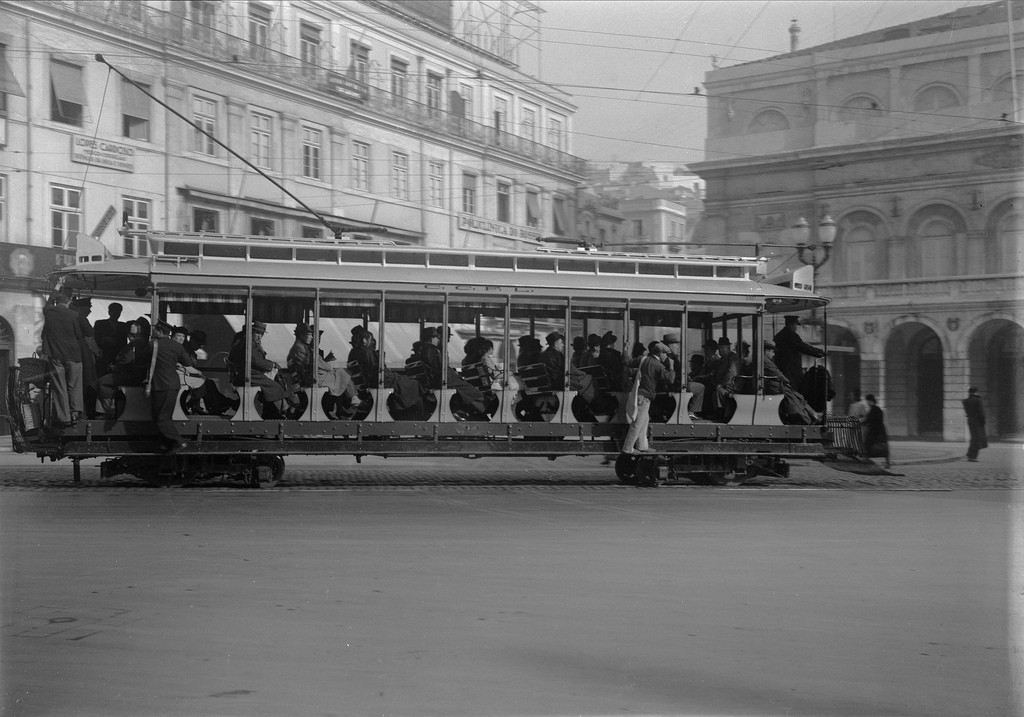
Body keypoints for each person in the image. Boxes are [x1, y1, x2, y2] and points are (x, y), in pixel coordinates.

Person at [228, 320, 298, 415]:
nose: (259, 336)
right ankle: (282, 407)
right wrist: (272, 365)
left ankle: (273, 410)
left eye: (261, 333)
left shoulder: (250, 342)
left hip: (250, 372)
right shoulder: (249, 343)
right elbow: (255, 360)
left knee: (273, 383)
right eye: (257, 333)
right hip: (249, 374)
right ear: (251, 332)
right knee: (274, 385)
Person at [147, 319, 195, 452]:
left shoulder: (153, 345)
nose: (154, 331)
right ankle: (166, 445)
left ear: (160, 331)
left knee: (160, 418)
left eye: (155, 329)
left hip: (160, 385)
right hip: (173, 384)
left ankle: (178, 442)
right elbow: (188, 362)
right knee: (165, 416)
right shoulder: (177, 346)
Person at [621, 341, 675, 457]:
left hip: (640, 395)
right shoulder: (658, 365)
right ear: (660, 353)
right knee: (637, 423)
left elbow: (627, 362)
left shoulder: (643, 359)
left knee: (644, 421)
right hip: (644, 397)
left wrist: (625, 350)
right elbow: (670, 379)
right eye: (665, 354)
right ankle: (627, 448)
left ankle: (642, 446)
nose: (666, 356)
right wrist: (671, 367)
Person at [41, 286, 84, 426]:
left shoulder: (48, 312)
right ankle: (75, 413)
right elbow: (80, 335)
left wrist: (56, 287)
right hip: (73, 355)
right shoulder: (74, 315)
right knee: (74, 385)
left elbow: (48, 302)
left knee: (60, 386)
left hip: (55, 355)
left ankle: (64, 417)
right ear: (70, 300)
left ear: (56, 300)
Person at [95, 317, 152, 416]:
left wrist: (114, 367)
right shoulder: (145, 342)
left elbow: (126, 360)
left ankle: (109, 410)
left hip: (130, 375)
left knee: (102, 382)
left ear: (141, 329)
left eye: (136, 324)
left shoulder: (136, 343)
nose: (132, 326)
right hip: (138, 375)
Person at [762, 341, 821, 425]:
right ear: (766, 351)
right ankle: (808, 418)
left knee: (797, 396)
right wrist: (787, 381)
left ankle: (813, 414)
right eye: (772, 351)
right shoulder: (765, 361)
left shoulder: (763, 360)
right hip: (775, 388)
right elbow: (778, 374)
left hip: (773, 386)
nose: (774, 354)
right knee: (793, 398)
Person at [773, 315, 825, 388]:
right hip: (790, 368)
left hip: (782, 367)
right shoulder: (791, 335)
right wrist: (819, 352)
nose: (796, 328)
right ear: (792, 324)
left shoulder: (779, 335)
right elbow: (803, 347)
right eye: (795, 325)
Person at [71, 297, 100, 418]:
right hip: (83, 353)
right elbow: (90, 337)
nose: (90, 310)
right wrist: (98, 353)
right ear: (82, 307)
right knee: (88, 381)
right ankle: (86, 412)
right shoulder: (80, 317)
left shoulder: (71, 315)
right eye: (88, 307)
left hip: (71, 352)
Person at [93, 302, 129, 377]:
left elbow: (124, 343)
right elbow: (95, 339)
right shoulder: (100, 324)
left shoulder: (123, 326)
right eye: (114, 311)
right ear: (109, 312)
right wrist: (104, 340)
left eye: (118, 312)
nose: (116, 314)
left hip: (116, 358)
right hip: (103, 357)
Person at [863, 394, 891, 467]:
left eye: (867, 401)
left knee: (868, 444)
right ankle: (887, 462)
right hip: (880, 430)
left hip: (875, 431)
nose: (867, 403)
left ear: (870, 401)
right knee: (883, 445)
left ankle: (867, 460)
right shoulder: (876, 409)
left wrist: (863, 422)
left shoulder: (874, 409)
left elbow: (869, 419)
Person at [963, 387, 987, 462]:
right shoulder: (978, 400)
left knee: (974, 438)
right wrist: (983, 422)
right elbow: (981, 413)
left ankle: (970, 454)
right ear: (976, 392)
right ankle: (972, 456)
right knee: (977, 439)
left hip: (970, 420)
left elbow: (967, 412)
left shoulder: (965, 401)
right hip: (977, 421)